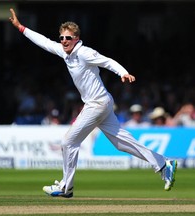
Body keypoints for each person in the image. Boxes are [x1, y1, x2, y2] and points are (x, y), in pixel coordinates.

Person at [9, 8, 177, 198]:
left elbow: (107, 61)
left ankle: (66, 187)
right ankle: (164, 164)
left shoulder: (84, 52)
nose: (64, 41)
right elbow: (44, 42)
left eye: (68, 38)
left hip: (97, 104)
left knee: (68, 142)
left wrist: (123, 73)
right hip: (102, 104)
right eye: (62, 37)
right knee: (122, 144)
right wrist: (21, 28)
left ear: (76, 39)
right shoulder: (65, 52)